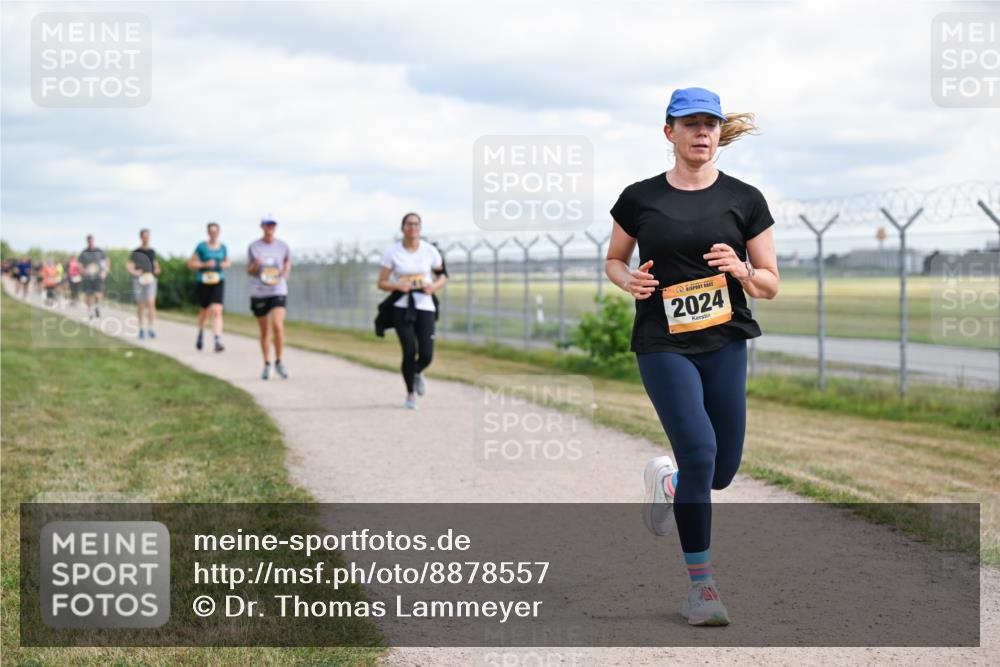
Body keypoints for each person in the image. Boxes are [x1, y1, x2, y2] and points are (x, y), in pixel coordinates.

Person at [605, 87, 779, 627]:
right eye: (690, 123)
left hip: (724, 342)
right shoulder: (639, 197)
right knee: (700, 452)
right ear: (669, 133)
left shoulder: (746, 199)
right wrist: (627, 280)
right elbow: (613, 259)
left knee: (721, 471)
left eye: (710, 123)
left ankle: (672, 483)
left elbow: (770, 284)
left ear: (719, 133)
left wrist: (743, 271)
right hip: (663, 342)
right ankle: (702, 589)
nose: (701, 132)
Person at [376, 212, 448, 409]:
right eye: (409, 224)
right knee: (409, 351)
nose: (413, 228)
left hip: (425, 305)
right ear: (403, 228)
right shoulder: (393, 252)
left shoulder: (429, 251)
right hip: (402, 306)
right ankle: (410, 394)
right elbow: (381, 282)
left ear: (420, 228)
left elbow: (443, 276)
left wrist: (433, 286)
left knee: (426, 353)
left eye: (416, 224)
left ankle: (417, 371)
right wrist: (398, 285)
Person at [247, 217, 291, 380]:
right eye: (267, 225)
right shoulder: (254, 247)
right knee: (265, 330)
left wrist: (286, 272)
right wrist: (256, 265)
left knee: (278, 325)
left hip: (278, 289)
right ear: (262, 227)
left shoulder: (283, 246)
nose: (270, 228)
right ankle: (267, 364)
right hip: (259, 291)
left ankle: (279, 361)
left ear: (275, 227)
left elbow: (287, 262)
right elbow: (249, 270)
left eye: (272, 225)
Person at [188, 222, 229, 352]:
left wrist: (224, 265)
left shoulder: (223, 247)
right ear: (208, 232)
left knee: (217, 310)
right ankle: (200, 333)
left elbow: (227, 262)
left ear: (219, 232)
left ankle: (217, 341)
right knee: (204, 312)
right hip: (203, 281)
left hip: (218, 280)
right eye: (211, 231)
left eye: (215, 231)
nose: (213, 233)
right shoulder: (201, 247)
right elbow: (191, 263)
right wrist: (204, 264)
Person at [127, 228, 161, 339]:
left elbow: (156, 265)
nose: (146, 238)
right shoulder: (136, 251)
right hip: (139, 280)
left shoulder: (152, 251)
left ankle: (150, 328)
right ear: (141, 237)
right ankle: (141, 328)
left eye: (148, 236)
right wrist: (134, 272)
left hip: (151, 279)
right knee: (141, 304)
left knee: (151, 303)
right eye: (144, 236)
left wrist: (157, 269)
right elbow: (129, 266)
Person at [79, 235, 108, 319]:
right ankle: (90, 312)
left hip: (98, 275)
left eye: (91, 241)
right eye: (89, 241)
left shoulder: (100, 251)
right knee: (88, 294)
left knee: (98, 294)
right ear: (87, 241)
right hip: (87, 277)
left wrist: (105, 271)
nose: (90, 242)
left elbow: (106, 260)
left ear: (93, 241)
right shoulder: (83, 253)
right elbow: (80, 264)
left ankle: (97, 306)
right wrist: (83, 271)